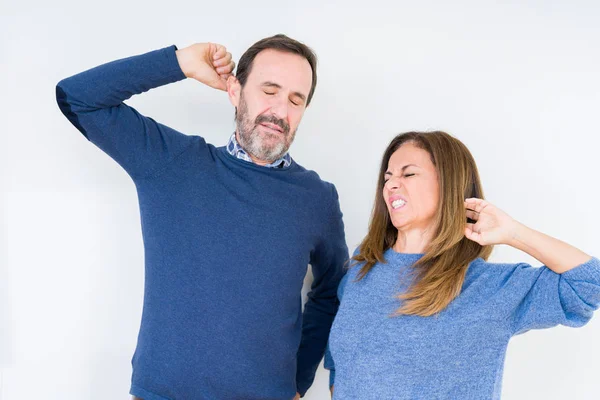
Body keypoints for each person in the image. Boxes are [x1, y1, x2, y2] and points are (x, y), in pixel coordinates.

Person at [56, 34, 348, 400]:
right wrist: (180, 63)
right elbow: (78, 98)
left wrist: (297, 381)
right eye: (269, 90)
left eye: (295, 99)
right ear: (235, 91)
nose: (281, 111)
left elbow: (333, 292)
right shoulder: (171, 162)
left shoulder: (317, 198)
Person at [325, 131, 599, 399]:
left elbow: (589, 284)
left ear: (449, 185)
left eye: (408, 174)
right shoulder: (363, 265)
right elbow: (341, 359)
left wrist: (513, 232)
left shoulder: (488, 287)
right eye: (388, 176)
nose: (391, 185)